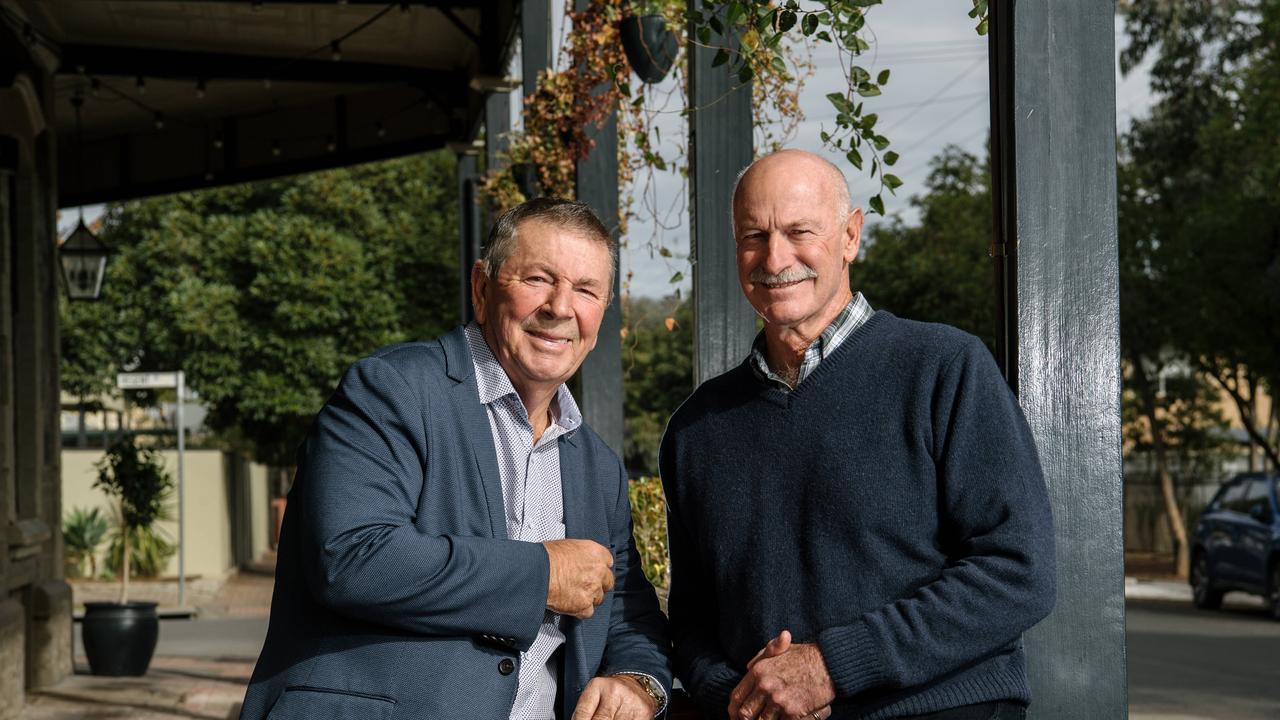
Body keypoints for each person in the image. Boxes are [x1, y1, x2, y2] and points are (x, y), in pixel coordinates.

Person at [659, 150, 1055, 720]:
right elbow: (694, 619)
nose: (775, 257)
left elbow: (1019, 571)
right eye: (754, 235)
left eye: (800, 232)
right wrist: (745, 698)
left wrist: (831, 667)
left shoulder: (944, 369)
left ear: (850, 236)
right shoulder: (698, 428)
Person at [242, 198, 671, 720]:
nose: (561, 307)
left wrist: (638, 682)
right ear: (482, 288)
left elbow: (629, 612)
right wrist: (541, 575)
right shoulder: (391, 388)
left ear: (602, 313)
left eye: (585, 290)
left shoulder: (597, 465)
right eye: (538, 278)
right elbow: (351, 559)